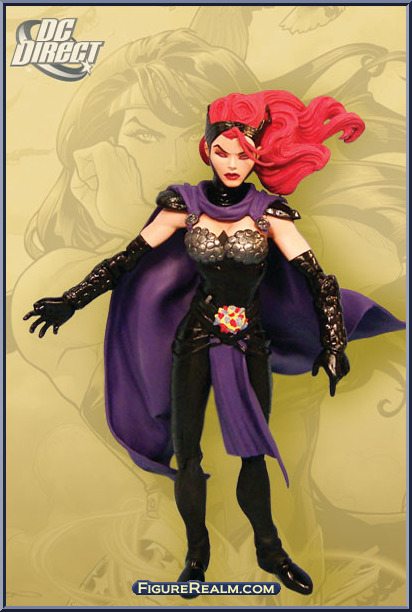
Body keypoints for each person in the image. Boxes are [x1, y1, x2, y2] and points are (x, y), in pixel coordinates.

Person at [24, 90, 404, 597]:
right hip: (196, 336)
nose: (232, 163)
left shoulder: (269, 213)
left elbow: (318, 279)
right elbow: (125, 262)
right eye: (222, 152)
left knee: (253, 450)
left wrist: (335, 341)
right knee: (188, 453)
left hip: (249, 340)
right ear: (206, 150)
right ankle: (196, 556)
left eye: (243, 154)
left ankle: (270, 550)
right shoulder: (183, 205)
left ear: (257, 155)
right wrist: (71, 300)